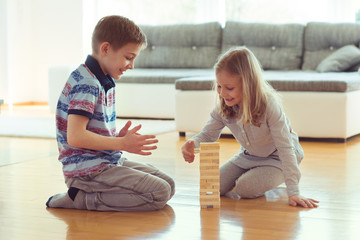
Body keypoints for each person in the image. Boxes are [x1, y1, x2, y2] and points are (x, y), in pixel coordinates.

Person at [46, 15, 174, 211]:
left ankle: (94, 194)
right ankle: (80, 198)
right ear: (105, 49)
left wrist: (114, 138)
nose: (131, 65)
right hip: (86, 171)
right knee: (160, 192)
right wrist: (121, 143)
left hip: (106, 160)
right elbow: (75, 136)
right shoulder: (86, 83)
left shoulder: (103, 80)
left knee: (169, 185)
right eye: (129, 57)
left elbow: (89, 132)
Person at [182, 46, 318, 208]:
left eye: (229, 88)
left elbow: (285, 147)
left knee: (245, 189)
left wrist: (293, 191)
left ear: (248, 84)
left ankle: (277, 175)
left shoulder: (269, 106)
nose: (223, 94)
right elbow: (207, 135)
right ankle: (258, 175)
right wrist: (191, 144)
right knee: (214, 185)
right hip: (249, 155)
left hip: (279, 157)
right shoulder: (223, 108)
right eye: (219, 86)